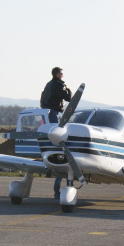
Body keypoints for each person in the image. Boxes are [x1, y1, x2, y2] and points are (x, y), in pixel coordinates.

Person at [40, 67, 72, 198]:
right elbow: (68, 98)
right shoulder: (59, 85)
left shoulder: (48, 84)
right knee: (58, 141)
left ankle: (56, 191)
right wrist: (68, 89)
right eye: (60, 73)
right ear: (56, 74)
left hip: (47, 112)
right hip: (53, 112)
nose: (62, 75)